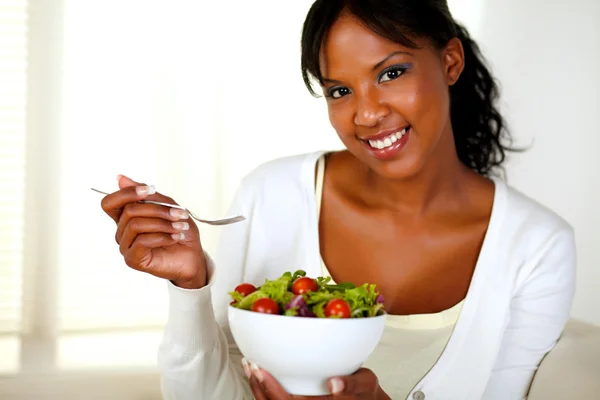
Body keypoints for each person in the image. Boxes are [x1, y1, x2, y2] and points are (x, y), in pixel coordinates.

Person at [100, 1, 576, 399]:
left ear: (450, 61)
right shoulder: (272, 194)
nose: (367, 114)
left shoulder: (538, 246)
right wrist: (191, 286)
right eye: (340, 90)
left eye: (391, 73)